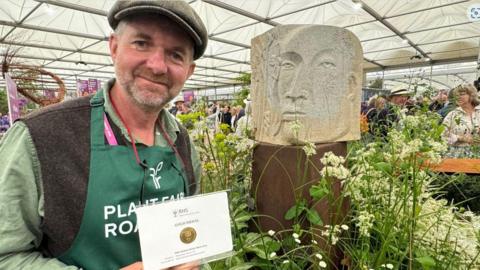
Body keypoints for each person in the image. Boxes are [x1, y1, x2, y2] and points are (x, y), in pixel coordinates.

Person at [0, 1, 207, 269]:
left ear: (189, 71)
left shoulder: (182, 142)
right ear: (114, 47)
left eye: (176, 54)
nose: (157, 66)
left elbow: (189, 239)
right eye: (142, 43)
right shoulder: (40, 137)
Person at [442, 84, 480, 158]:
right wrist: (459, 138)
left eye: (462, 94)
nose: (458, 97)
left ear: (471, 95)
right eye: (456, 95)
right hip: (457, 156)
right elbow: (442, 135)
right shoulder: (452, 115)